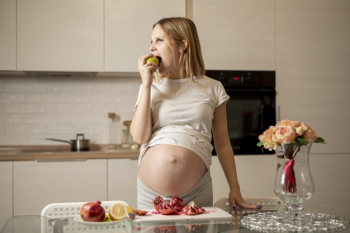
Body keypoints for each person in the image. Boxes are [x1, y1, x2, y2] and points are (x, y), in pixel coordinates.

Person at [130, 17, 261, 210]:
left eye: (159, 40)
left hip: (196, 193)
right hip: (151, 194)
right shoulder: (150, 87)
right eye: (151, 41)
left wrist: (235, 188)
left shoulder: (213, 88)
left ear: (182, 45)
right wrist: (147, 84)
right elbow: (140, 137)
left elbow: (223, 144)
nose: (151, 48)